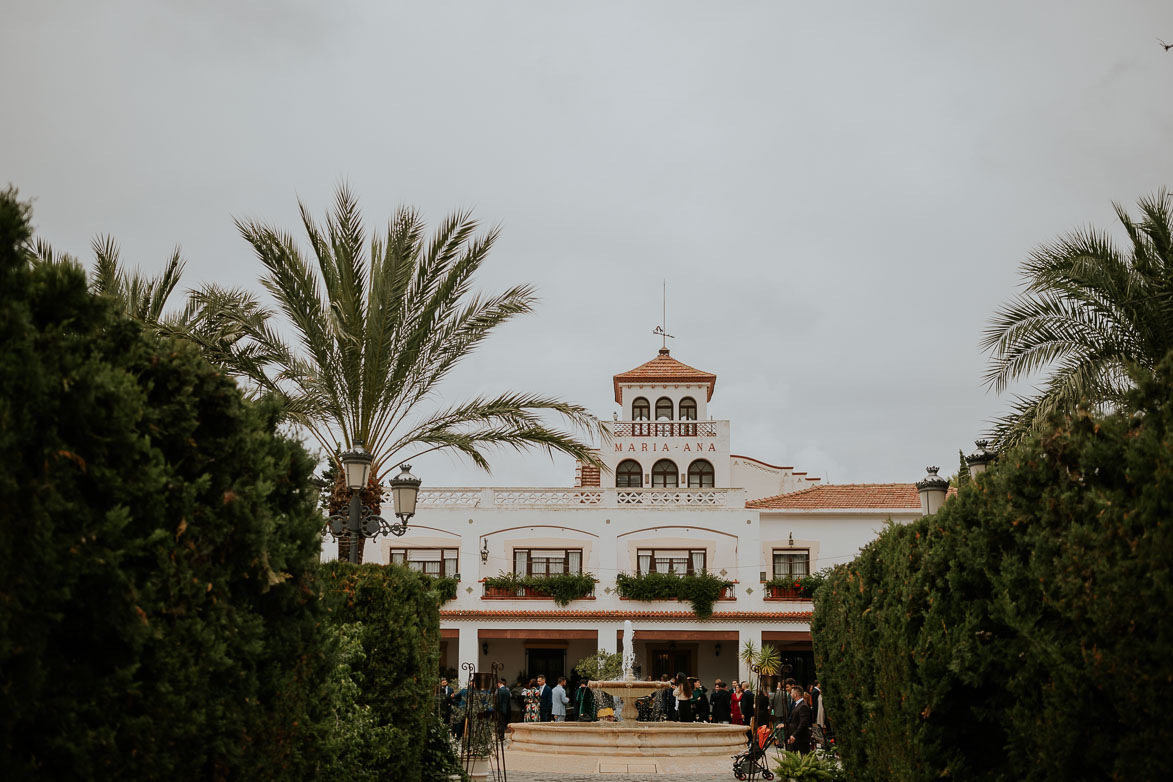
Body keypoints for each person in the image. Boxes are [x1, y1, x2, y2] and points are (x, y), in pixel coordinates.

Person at [785, 684, 812, 755]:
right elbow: (793, 719)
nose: (790, 694)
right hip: (796, 738)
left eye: (791, 693)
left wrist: (794, 735)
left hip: (800, 739)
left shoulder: (803, 706)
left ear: (795, 694)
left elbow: (803, 723)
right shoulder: (797, 704)